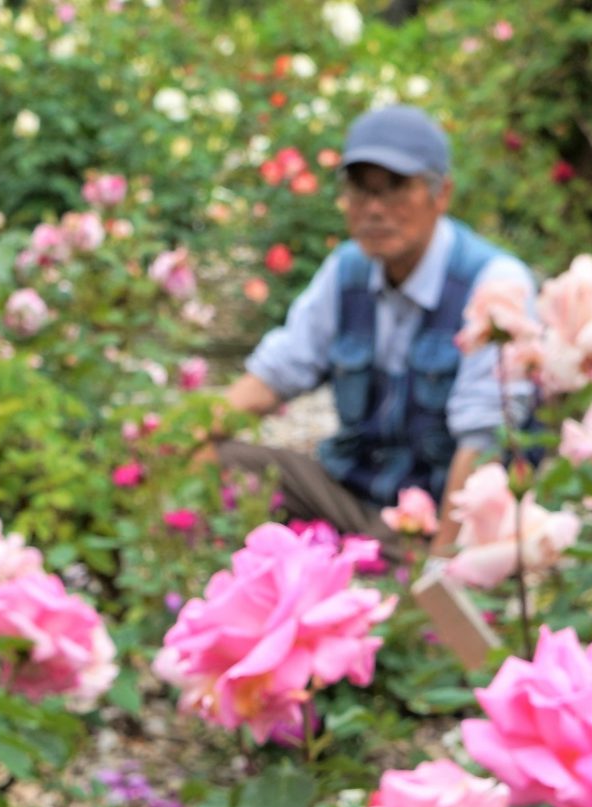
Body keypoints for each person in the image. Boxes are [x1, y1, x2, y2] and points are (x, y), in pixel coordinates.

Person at [212, 105, 536, 551]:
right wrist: (176, 440)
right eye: (361, 191)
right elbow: (275, 375)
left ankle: (403, 574)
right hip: (348, 495)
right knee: (212, 462)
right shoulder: (347, 270)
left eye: (396, 189)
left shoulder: (492, 285)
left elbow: (482, 445)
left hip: (432, 520)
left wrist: (441, 576)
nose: (375, 209)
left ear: (441, 195)